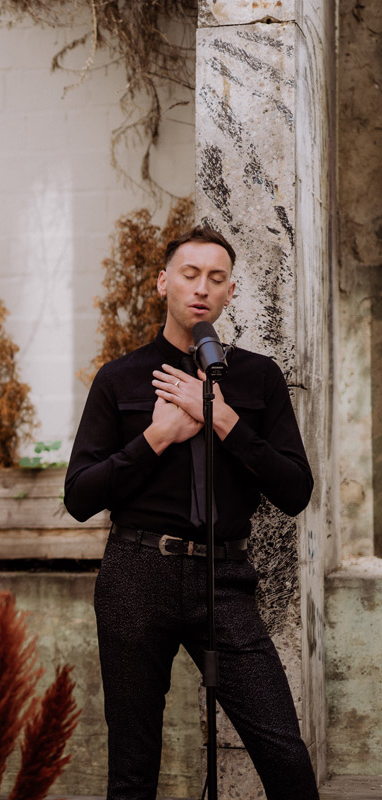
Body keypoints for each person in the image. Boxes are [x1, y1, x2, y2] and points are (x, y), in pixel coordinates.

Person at [63, 226, 320, 799]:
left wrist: (223, 420)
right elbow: (79, 497)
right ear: (163, 283)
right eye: (190, 274)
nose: (202, 287)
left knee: (284, 753)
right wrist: (156, 438)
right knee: (132, 769)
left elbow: (295, 491)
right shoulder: (119, 378)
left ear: (230, 292)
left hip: (224, 579)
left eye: (216, 277)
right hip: (136, 575)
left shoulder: (258, 377)